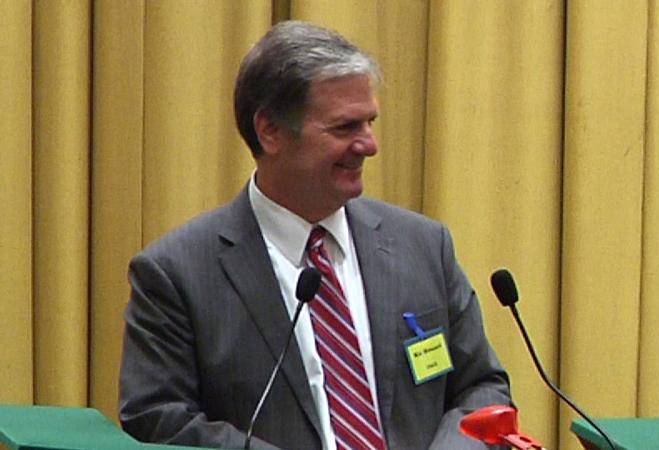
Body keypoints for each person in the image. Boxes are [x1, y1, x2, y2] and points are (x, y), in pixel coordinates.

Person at [119, 20, 511, 450]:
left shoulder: (423, 246)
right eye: (345, 128)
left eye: (370, 123)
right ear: (270, 131)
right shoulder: (178, 273)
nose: (369, 145)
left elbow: (481, 387)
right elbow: (158, 417)